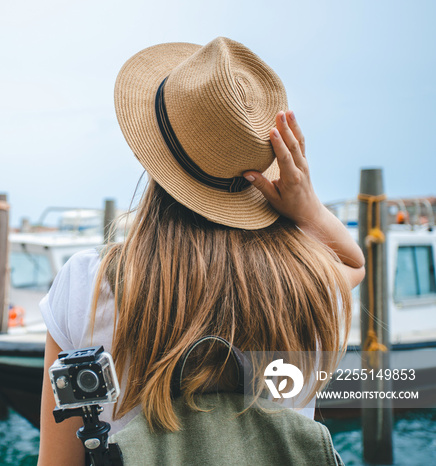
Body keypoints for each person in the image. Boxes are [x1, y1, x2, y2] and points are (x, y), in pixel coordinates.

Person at [37, 38, 365, 466]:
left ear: (153, 158)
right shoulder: (309, 286)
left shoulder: (88, 283)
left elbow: (57, 463)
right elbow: (353, 262)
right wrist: (310, 209)